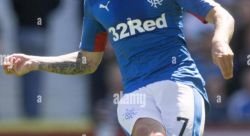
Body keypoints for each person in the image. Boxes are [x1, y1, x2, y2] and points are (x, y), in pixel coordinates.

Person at [3, 0, 234, 135]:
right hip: (135, 94)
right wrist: (36, 62)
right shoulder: (95, 4)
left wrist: (219, 41)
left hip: (178, 84)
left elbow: (220, 14)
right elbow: (87, 62)